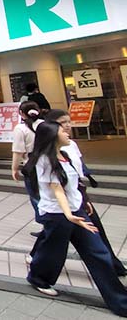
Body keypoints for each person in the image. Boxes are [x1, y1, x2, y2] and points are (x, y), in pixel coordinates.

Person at [24, 122, 127, 315]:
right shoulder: (44, 160)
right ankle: (38, 278)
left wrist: (83, 201)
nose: (67, 132)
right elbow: (57, 190)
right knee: (54, 252)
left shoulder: (66, 154)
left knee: (98, 252)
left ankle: (121, 302)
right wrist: (70, 215)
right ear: (53, 136)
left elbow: (73, 184)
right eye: (62, 130)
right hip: (56, 214)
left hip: (75, 211)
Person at [44, 109, 127, 277]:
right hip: (60, 205)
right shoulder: (46, 154)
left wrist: (84, 197)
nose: (68, 126)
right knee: (54, 237)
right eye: (62, 123)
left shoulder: (71, 145)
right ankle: (38, 268)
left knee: (93, 233)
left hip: (78, 198)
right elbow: (53, 186)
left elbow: (79, 173)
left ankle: (114, 266)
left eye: (69, 121)